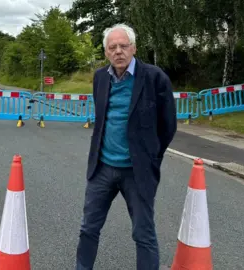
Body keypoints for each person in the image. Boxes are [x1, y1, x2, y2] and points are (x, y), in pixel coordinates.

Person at [75, 23, 177, 270]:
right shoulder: (100, 78)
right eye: (113, 47)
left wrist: (150, 157)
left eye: (123, 46)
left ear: (134, 48)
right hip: (102, 168)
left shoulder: (155, 78)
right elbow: (102, 120)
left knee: (143, 234)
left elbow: (168, 125)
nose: (118, 51)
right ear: (106, 52)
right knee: (88, 228)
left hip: (137, 172)